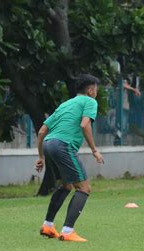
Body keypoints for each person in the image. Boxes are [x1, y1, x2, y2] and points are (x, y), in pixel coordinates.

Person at [36, 74, 104, 242]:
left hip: (49, 144)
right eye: (96, 89)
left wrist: (41, 157)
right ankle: (67, 231)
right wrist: (94, 150)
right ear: (90, 90)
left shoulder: (65, 104)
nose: (96, 93)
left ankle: (48, 225)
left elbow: (42, 131)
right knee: (84, 188)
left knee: (66, 186)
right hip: (63, 146)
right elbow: (84, 124)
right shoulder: (90, 102)